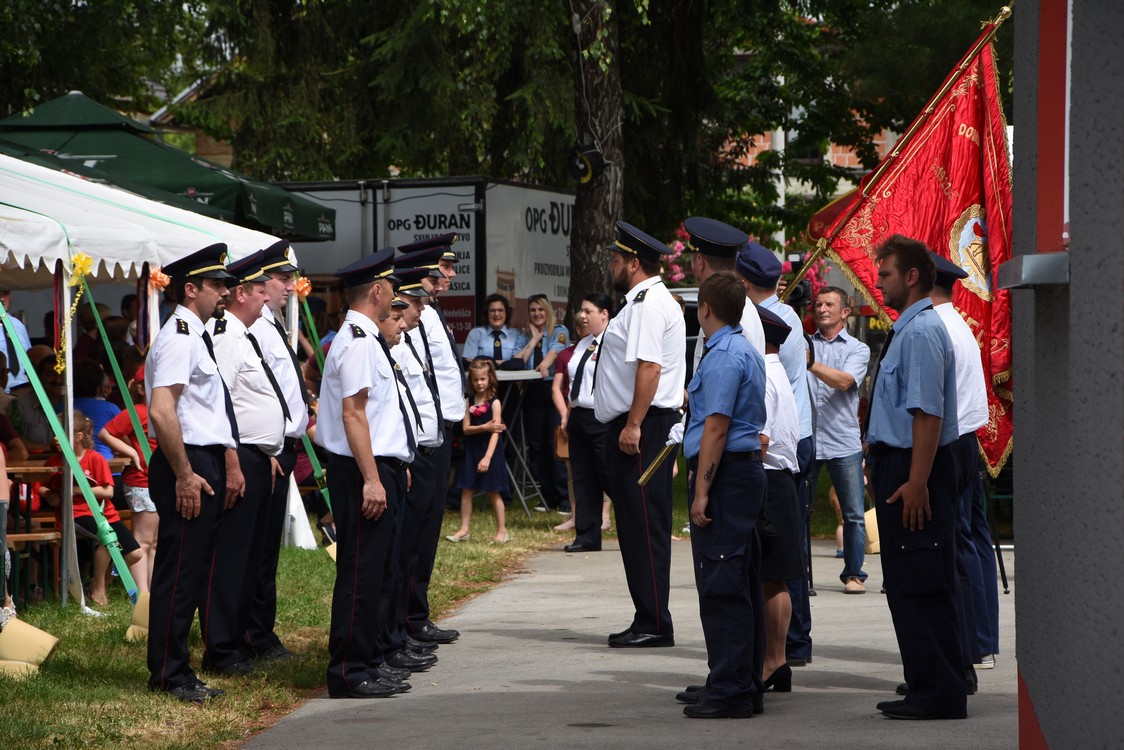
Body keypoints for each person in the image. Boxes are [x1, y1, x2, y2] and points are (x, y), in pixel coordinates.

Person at [865, 234, 965, 720]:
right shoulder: (908, 329)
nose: (877, 281)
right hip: (900, 466)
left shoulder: (922, 332)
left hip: (915, 469)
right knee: (908, 581)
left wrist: (918, 481)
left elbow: (927, 415)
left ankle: (940, 692)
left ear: (911, 277)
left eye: (885, 273)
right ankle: (927, 681)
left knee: (922, 579)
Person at [315, 247, 413, 699]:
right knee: (359, 570)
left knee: (375, 570)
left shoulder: (366, 338)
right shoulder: (355, 340)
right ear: (376, 289)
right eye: (391, 287)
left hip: (375, 467)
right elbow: (353, 415)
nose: (395, 296)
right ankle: (349, 670)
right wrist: (373, 478)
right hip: (359, 471)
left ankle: (368, 660)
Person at [145, 243, 241, 703]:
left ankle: (177, 667)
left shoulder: (195, 332)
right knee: (179, 572)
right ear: (190, 289)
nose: (225, 291)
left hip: (198, 459)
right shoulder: (181, 334)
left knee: (191, 569)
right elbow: (163, 411)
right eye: (217, 284)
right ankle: (168, 673)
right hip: (185, 461)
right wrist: (184, 474)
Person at [677, 271, 767, 718]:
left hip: (726, 476)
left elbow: (716, 426)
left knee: (722, 585)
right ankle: (736, 679)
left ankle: (732, 690)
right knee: (739, 580)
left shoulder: (724, 355)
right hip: (740, 474)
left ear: (706, 308)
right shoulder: (741, 348)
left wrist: (701, 492)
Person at [595, 221, 685, 648]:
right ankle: (648, 615)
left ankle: (653, 621)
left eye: (615, 259)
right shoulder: (643, 301)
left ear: (633, 263)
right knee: (636, 523)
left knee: (644, 523)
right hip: (642, 421)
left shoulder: (647, 304)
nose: (611, 266)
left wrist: (632, 423)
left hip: (644, 425)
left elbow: (650, 367)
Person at [201, 250, 285, 677]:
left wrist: (265, 453)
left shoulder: (242, 334)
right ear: (241, 295)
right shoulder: (228, 336)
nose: (267, 299)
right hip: (238, 459)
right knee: (229, 559)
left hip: (256, 457)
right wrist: (235, 462)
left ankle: (236, 643)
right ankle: (220, 648)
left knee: (249, 558)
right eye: (259, 292)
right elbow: (222, 404)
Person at [928, 252, 999, 673]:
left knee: (960, 546)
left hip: (951, 445)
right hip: (964, 442)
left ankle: (973, 644)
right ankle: (981, 642)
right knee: (971, 541)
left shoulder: (939, 328)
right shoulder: (956, 324)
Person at [244, 240, 310, 663]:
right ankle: (253, 633)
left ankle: (261, 630)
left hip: (282, 448)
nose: (291, 287)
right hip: (265, 451)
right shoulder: (252, 328)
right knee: (255, 551)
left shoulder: (270, 325)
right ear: (262, 284)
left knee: (266, 551)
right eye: (284, 279)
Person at [398, 234, 465, 645]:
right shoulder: (406, 314)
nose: (451, 275)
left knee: (429, 527)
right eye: (444, 267)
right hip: (423, 431)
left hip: (439, 428)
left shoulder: (433, 313)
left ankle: (416, 613)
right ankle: (408, 617)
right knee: (414, 531)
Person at [383, 264, 447, 672]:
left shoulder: (402, 340)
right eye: (416, 303)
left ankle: (400, 630)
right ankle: (394, 634)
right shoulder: (384, 344)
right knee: (395, 557)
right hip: (401, 460)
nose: (422, 310)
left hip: (418, 453)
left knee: (413, 549)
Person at [805, 285, 873, 597]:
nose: (822, 309)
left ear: (845, 312)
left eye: (829, 304)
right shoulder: (804, 344)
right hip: (806, 439)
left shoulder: (857, 349)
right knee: (797, 510)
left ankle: (854, 574)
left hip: (842, 441)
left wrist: (811, 364)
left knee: (854, 514)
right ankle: (799, 575)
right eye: (818, 304)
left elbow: (846, 382)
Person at [39, 410, 145, 606]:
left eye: (60, 433)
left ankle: (101, 582)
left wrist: (77, 490)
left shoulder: (95, 458)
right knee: (108, 541)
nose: (55, 438)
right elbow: (42, 485)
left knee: (135, 554)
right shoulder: (56, 461)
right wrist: (47, 493)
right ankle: (98, 591)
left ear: (78, 437)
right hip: (76, 515)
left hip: (105, 515)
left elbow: (108, 492)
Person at [754, 305, 803, 693]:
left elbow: (761, 440)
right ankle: (777, 661)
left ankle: (773, 662)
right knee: (775, 577)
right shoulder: (778, 372)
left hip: (768, 479)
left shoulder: (764, 376)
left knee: (771, 577)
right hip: (782, 479)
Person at [561, 292, 613, 552]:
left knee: (609, 475)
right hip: (579, 416)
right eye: (581, 310)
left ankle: (633, 527)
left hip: (601, 417)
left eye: (588, 311)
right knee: (583, 478)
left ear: (604, 314)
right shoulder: (583, 344)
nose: (582, 315)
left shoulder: (613, 343)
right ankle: (587, 535)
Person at [99, 365, 158, 592]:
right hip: (142, 481)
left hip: (160, 482)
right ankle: (142, 594)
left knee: (155, 542)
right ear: (141, 388)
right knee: (143, 540)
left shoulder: (164, 409)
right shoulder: (139, 411)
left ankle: (152, 592)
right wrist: (131, 451)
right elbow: (105, 433)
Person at [684, 217, 765, 372]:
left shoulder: (729, 309)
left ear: (700, 261)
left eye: (693, 261)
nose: (693, 267)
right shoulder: (737, 304)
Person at [516, 293, 570, 512]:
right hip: (531, 391)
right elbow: (518, 361)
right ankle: (546, 495)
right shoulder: (524, 335)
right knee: (536, 445)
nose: (536, 314)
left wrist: (543, 364)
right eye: (532, 310)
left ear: (548, 311)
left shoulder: (559, 332)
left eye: (540, 309)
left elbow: (554, 354)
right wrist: (534, 340)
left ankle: (564, 497)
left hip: (551, 389)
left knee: (554, 443)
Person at [447, 358, 509, 544]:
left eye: (482, 379)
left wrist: (488, 457)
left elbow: (496, 431)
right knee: (466, 489)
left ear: (490, 378)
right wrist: (484, 427)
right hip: (472, 451)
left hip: (490, 452)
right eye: (475, 380)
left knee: (493, 490)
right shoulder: (469, 401)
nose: (479, 383)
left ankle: (502, 531)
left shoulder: (495, 403)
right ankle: (464, 529)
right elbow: (466, 429)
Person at [71, 359, 122, 462]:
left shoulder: (60, 407)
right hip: (106, 463)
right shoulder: (111, 408)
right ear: (100, 386)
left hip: (72, 465)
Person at [461, 293, 526, 366]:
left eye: (500, 310)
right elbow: (469, 362)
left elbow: (518, 362)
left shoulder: (517, 335)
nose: (496, 314)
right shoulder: (476, 334)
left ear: (506, 313)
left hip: (511, 377)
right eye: (492, 311)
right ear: (487, 314)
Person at [0, 287, 33, 392]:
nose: (2, 298)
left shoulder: (18, 325)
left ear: (10, 295)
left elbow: (30, 356)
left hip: (23, 390)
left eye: (5, 293)